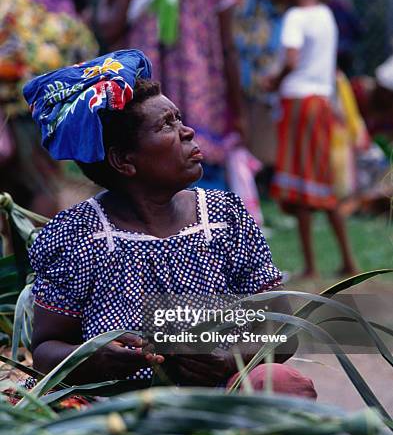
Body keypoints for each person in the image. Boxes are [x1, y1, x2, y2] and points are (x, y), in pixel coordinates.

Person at [23, 49, 316, 398]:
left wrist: (230, 359)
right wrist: (95, 357)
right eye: (166, 125)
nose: (188, 131)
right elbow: (44, 350)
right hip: (112, 413)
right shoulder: (77, 236)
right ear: (123, 160)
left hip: (220, 402)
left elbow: (283, 330)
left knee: (281, 383)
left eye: (179, 118)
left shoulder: (225, 217)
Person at [97, 0, 244, 191]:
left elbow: (110, 29)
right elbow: (228, 48)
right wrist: (238, 108)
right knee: (204, 182)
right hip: (203, 99)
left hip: (145, 98)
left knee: (146, 181)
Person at [264, 0, 357, 278]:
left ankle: (310, 265)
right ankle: (347, 259)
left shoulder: (295, 17)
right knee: (322, 182)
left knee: (301, 185)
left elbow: (290, 61)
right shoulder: (325, 14)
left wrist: (272, 82)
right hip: (321, 102)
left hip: (298, 103)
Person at [235, 0, 323, 191]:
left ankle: (262, 172)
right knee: (263, 105)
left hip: (257, 39)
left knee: (261, 106)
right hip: (261, 43)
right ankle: (262, 172)